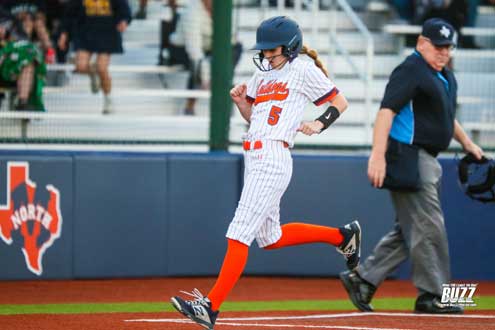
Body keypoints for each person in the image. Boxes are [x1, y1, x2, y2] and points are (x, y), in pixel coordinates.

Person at [170, 16, 361, 329]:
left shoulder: (302, 68)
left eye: (273, 50)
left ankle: (210, 307)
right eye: (265, 50)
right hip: (255, 152)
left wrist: (319, 123)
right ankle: (341, 236)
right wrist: (241, 104)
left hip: (273, 154)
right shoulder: (263, 72)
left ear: (291, 46)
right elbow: (254, 117)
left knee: (239, 230)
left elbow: (340, 101)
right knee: (270, 238)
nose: (267, 55)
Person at [340, 18, 484, 315]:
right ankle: (433, 294)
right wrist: (377, 155)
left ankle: (363, 279)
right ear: (421, 43)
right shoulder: (411, 69)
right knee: (428, 226)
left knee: (412, 227)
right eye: (437, 46)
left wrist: (468, 144)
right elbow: (386, 111)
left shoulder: (444, 76)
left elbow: (446, 118)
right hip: (408, 155)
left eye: (448, 47)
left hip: (427, 159)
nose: (443, 52)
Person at [168, 0, 242, 116]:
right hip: (182, 48)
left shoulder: (223, 9)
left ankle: (225, 88)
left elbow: (231, 39)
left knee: (235, 50)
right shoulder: (191, 11)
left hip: (209, 46)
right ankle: (190, 104)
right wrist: (206, 78)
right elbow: (194, 50)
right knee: (197, 65)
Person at [57, 0, 131, 114]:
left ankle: (108, 99)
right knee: (80, 66)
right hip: (85, 33)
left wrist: (124, 21)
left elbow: (125, 10)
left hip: (107, 34)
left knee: (102, 68)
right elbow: (69, 14)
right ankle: (93, 74)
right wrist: (63, 34)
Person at [0, 9, 47, 111]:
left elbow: (23, 43)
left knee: (28, 62)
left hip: (10, 68)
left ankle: (23, 103)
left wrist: (7, 40)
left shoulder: (9, 18)